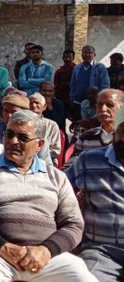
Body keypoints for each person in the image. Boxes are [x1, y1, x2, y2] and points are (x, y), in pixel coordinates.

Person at [0, 110, 94, 281]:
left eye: (23, 137)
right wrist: (2, 246)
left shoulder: (56, 177)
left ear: (39, 145)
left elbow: (73, 224)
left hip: (46, 258)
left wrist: (46, 250)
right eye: (9, 134)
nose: (13, 141)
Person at [65, 108, 124, 281]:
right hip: (101, 251)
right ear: (114, 131)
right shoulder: (88, 160)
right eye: (123, 130)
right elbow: (59, 191)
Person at [71, 89, 124, 158]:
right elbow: (72, 164)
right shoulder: (86, 137)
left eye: (109, 105)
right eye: (100, 105)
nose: (103, 109)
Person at [71, 45, 110, 118]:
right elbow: (73, 84)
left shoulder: (100, 67)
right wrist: (72, 99)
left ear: (94, 55)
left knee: (92, 125)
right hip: (78, 102)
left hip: (94, 103)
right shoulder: (77, 68)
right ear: (82, 55)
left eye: (89, 53)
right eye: (84, 53)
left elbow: (105, 85)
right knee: (79, 125)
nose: (87, 55)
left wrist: (100, 100)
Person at [29, 93, 63, 164]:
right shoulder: (22, 124)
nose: (33, 105)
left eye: (36, 102)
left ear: (44, 106)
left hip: (46, 162)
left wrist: (36, 152)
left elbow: (56, 150)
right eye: (31, 103)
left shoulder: (52, 125)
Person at [54, 49, 76, 118]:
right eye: (65, 57)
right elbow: (55, 85)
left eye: (69, 57)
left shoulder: (77, 69)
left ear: (73, 58)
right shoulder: (59, 71)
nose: (67, 59)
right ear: (63, 58)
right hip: (61, 99)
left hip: (74, 100)